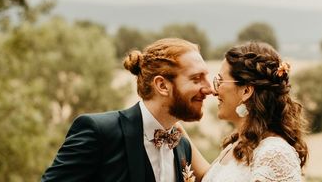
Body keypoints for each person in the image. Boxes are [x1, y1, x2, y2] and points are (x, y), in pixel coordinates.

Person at [41, 38, 213, 182]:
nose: (210, 88)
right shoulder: (100, 132)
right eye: (196, 79)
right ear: (162, 85)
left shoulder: (182, 145)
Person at [182, 41, 308, 182]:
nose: (214, 90)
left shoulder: (274, 153)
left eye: (221, 81)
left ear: (246, 91)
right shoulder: (238, 145)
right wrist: (174, 125)